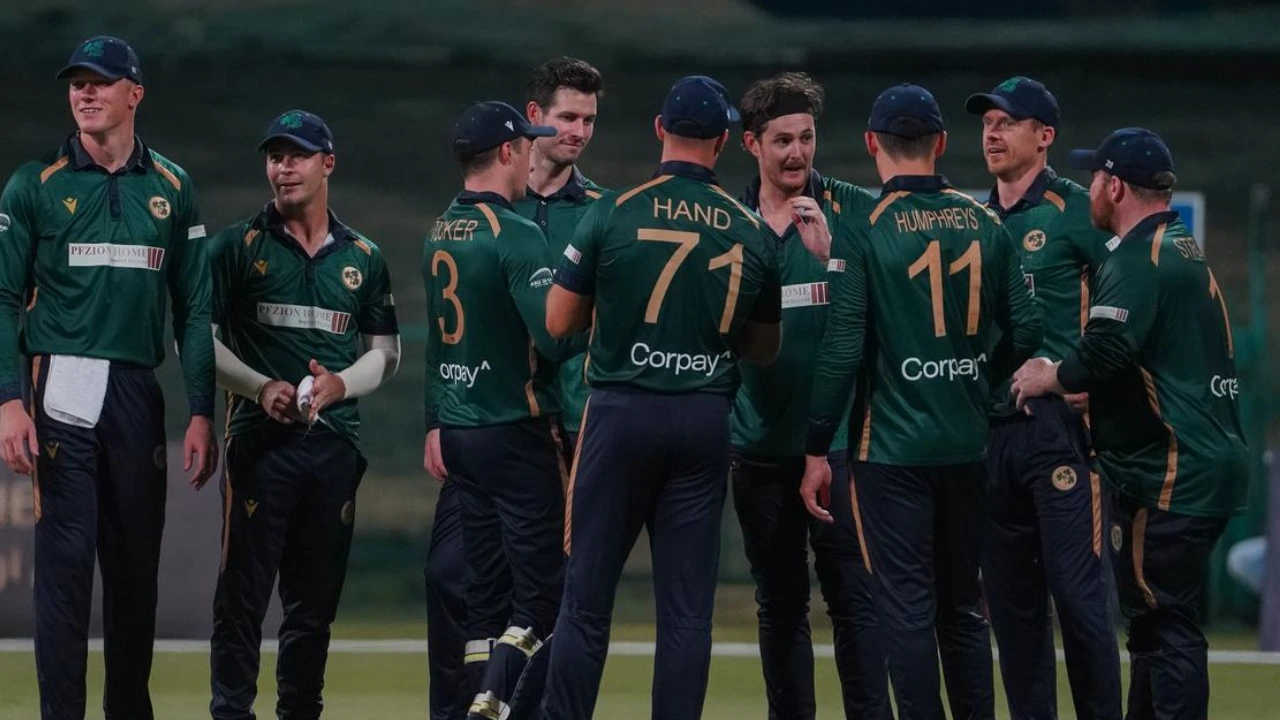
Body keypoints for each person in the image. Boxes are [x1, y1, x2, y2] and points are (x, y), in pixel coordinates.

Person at [537, 74, 781, 720]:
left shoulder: (613, 210)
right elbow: (763, 348)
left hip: (620, 414)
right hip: (703, 420)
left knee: (585, 601)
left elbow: (558, 321)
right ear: (723, 142)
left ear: (659, 130)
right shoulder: (750, 229)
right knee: (686, 613)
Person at [800, 83, 1041, 720]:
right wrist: (979, 380)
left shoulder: (864, 229)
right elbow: (1028, 328)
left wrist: (816, 444)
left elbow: (842, 348)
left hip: (890, 450)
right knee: (962, 607)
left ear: (871, 143)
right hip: (966, 444)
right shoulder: (986, 222)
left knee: (905, 607)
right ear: (940, 142)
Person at [0, 35, 216, 720]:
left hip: (135, 390)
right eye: (77, 83)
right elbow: (2, 297)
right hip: (61, 381)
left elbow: (195, 310)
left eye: (100, 82)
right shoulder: (34, 184)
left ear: (135, 93)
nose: (85, 93)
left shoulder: (173, 187)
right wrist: (8, 401)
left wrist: (202, 410)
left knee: (134, 571)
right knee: (64, 573)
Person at [1012, 127, 1249, 720]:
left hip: (1171, 471)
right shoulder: (1178, 246)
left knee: (1164, 626)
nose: (1090, 187)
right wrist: (1100, 396)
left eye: (1096, 176)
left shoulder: (1140, 258)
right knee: (1154, 625)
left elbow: (1104, 351)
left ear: (1114, 187)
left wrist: (1050, 375)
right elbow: (1149, 361)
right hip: (1199, 461)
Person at [207, 109, 401, 720]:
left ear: (328, 164)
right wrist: (260, 386)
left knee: (313, 607)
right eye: (275, 156)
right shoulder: (236, 246)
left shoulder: (364, 256)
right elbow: (196, 341)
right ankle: (231, 712)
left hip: (333, 446)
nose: (283, 168)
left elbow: (386, 354)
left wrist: (341, 385)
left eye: (297, 156)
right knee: (242, 599)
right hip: (259, 444)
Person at [731, 70, 890, 720]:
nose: (797, 153)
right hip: (760, 449)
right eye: (782, 141)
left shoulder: (854, 213)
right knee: (779, 606)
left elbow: (883, 321)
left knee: (856, 601)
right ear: (751, 144)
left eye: (806, 137)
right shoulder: (728, 223)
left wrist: (831, 261)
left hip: (843, 449)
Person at [964, 76, 1122, 720]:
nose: (993, 134)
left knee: (1080, 603)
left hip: (1061, 433)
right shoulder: (972, 220)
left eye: (1008, 122)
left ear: (1045, 135)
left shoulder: (1079, 212)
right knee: (1012, 611)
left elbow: (1135, 304)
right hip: (991, 434)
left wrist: (1095, 382)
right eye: (987, 123)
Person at [422, 100, 581, 720]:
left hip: (461, 432)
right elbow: (555, 339)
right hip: (515, 431)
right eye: (528, 146)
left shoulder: (441, 228)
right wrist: (598, 318)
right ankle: (492, 702)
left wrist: (436, 419)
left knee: (484, 598)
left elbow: (438, 345)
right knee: (544, 597)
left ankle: (476, 696)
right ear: (510, 152)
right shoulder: (516, 233)